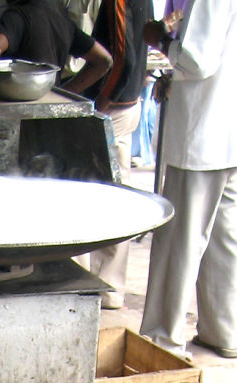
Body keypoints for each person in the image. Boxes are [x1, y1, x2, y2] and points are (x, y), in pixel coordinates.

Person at [139, 0, 237, 359]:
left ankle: (162, 337)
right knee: (225, 240)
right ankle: (221, 331)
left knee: (180, 242)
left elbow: (198, 60)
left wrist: (160, 39)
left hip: (203, 132)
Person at [81, 0, 157, 309]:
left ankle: (86, 285)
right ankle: (111, 288)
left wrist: (101, 103)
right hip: (127, 102)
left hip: (115, 106)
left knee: (88, 194)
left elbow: (120, 60)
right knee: (115, 191)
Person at [0, 0, 113, 93]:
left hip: (18, 113)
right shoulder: (61, 19)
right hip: (49, 113)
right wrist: (63, 94)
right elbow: (103, 60)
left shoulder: (16, 16)